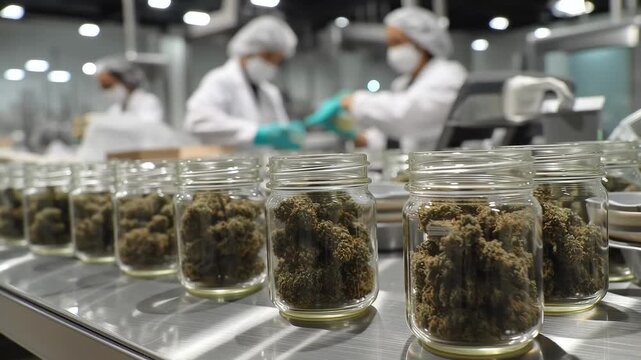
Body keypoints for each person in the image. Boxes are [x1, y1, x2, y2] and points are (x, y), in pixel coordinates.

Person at [308, 6, 467, 151]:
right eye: (390, 44)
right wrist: (358, 138)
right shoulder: (402, 84)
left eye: (397, 42)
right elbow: (394, 135)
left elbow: (406, 117)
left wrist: (353, 100)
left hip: (447, 172)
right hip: (418, 170)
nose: (392, 51)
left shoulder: (448, 74)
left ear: (422, 43)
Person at [185, 15, 304, 149]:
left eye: (277, 60)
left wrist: (290, 136)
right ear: (247, 51)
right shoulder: (220, 80)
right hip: (226, 167)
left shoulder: (270, 92)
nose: (272, 65)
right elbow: (198, 122)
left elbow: (280, 133)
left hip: (264, 168)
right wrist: (256, 133)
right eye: (268, 56)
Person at [95, 58, 163, 124]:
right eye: (103, 87)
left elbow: (149, 129)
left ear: (126, 81)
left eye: (108, 85)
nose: (106, 91)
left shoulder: (148, 102)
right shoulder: (114, 110)